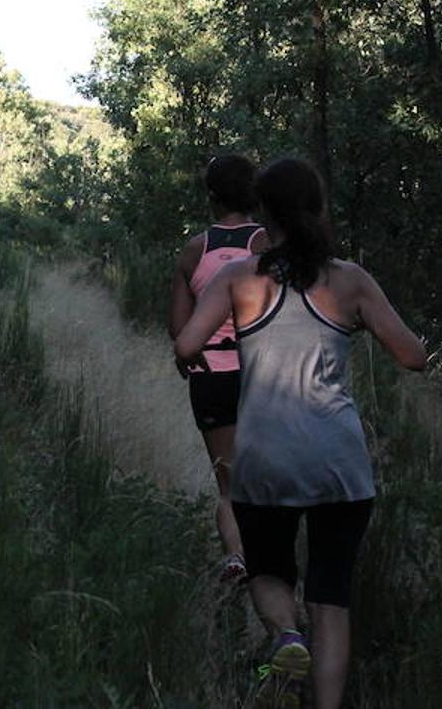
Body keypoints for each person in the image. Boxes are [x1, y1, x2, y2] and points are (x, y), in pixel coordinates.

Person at [175, 157, 425, 709]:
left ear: (266, 216)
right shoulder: (350, 279)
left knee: (268, 572)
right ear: (318, 210)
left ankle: (287, 636)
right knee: (332, 598)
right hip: (340, 461)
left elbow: (187, 345)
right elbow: (413, 356)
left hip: (265, 459)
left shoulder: (237, 277)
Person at [168, 154, 269, 584]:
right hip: (260, 375)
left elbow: (179, 327)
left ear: (211, 197)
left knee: (228, 487)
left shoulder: (196, 248)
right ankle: (273, 577)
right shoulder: (266, 242)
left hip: (211, 375)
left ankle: (235, 556)